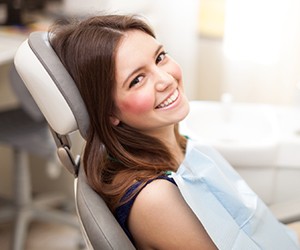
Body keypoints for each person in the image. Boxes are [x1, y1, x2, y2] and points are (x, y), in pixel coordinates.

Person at [48, 14, 299, 249]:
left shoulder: (179, 145)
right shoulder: (154, 198)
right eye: (137, 79)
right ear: (108, 112)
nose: (166, 79)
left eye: (160, 57)